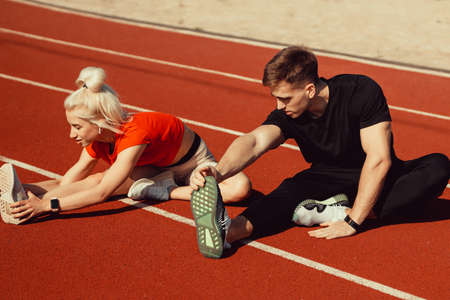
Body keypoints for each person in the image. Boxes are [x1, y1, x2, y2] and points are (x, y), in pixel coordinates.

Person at [190, 46, 450, 258]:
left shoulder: (360, 91)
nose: (278, 106)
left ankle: (339, 211)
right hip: (325, 178)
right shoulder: (289, 112)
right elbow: (255, 141)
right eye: (275, 97)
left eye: (285, 98)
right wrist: (220, 171)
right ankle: (229, 231)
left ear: (310, 90)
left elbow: (379, 159)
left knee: (438, 166)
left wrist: (352, 221)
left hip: (378, 175)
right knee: (288, 193)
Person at [0, 66, 251, 225]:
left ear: (99, 123)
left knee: (240, 188)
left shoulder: (134, 134)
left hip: (193, 164)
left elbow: (102, 194)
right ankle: (17, 199)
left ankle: (165, 191)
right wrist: (34, 202)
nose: (71, 135)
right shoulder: (98, 137)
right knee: (94, 179)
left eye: (76, 127)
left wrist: (48, 206)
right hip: (153, 168)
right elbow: (70, 182)